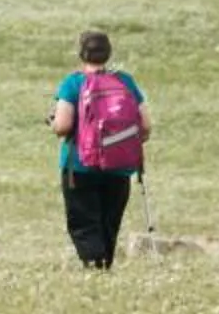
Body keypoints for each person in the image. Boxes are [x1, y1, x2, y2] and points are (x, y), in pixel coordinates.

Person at [50, 29, 151, 269]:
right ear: (108, 53)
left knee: (84, 221)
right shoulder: (125, 81)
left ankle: (94, 268)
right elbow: (145, 125)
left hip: (80, 166)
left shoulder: (73, 83)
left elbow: (63, 126)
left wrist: (52, 122)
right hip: (119, 166)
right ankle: (104, 265)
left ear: (81, 54)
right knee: (109, 221)